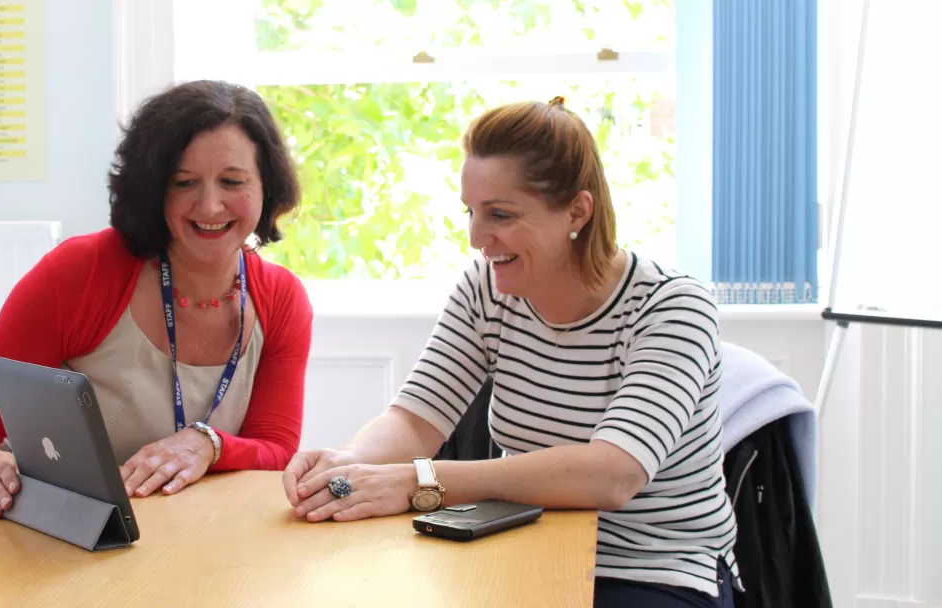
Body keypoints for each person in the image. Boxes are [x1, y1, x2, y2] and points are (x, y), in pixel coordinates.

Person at [281, 97, 739, 608]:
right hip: (524, 546)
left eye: (500, 214)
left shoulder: (671, 306)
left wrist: (419, 480)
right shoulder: (486, 286)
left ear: (577, 212)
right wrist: (351, 463)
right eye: (472, 212)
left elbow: (612, 475)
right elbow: (416, 418)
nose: (477, 238)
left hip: (653, 567)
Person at [0, 80, 313, 520]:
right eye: (184, 183)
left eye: (232, 181)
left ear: (266, 187)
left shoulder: (281, 300)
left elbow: (275, 448)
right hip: (57, 536)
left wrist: (208, 443)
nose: (209, 205)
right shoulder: (82, 273)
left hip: (194, 543)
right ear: (153, 189)